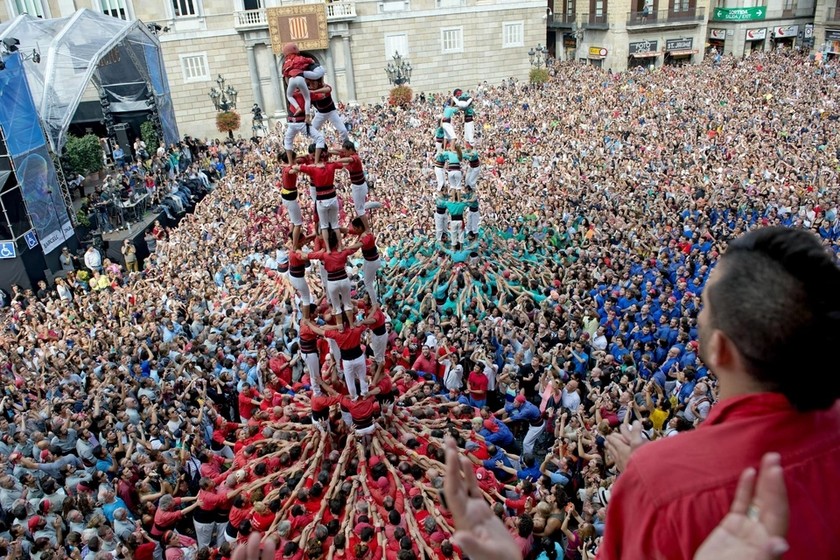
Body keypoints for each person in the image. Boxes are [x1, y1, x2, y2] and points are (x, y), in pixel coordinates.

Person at [601, 227, 840, 559]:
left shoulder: (658, 489)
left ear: (720, 349)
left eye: (703, 305)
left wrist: (649, 479)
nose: (698, 314)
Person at [309, 78, 350, 143]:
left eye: (313, 83)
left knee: (343, 130)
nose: (312, 85)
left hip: (331, 112)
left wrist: (313, 92)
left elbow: (329, 89)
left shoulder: (323, 87)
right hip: (320, 113)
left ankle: (347, 145)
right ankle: (315, 146)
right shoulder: (309, 91)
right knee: (311, 131)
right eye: (310, 84)